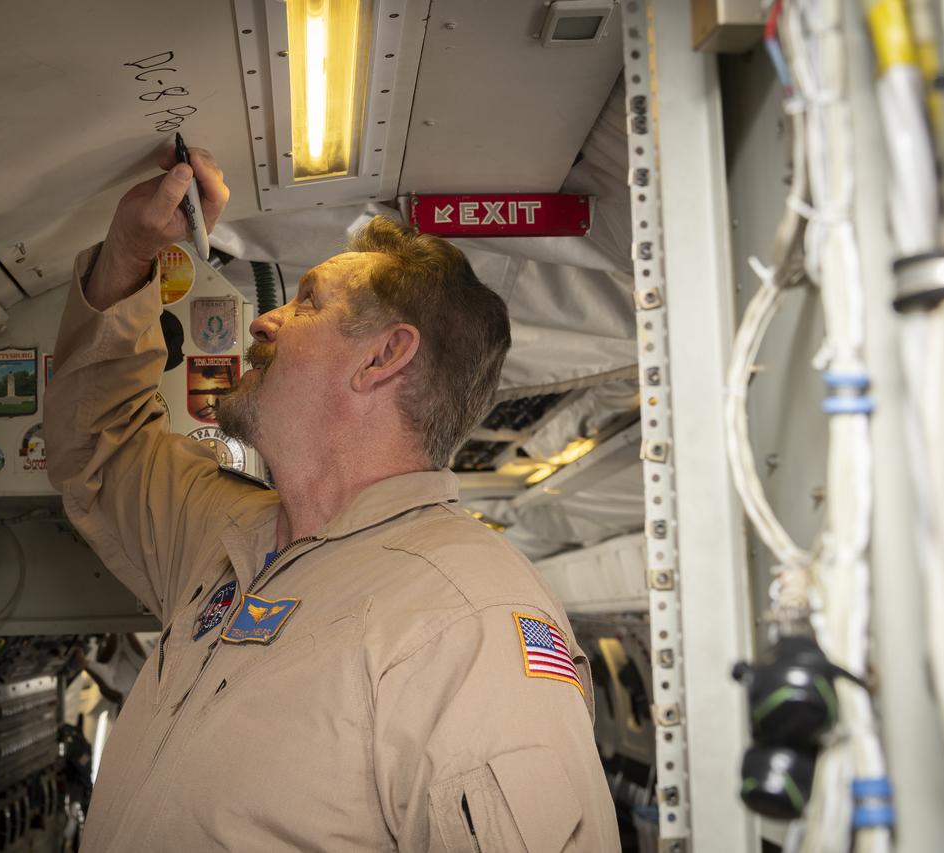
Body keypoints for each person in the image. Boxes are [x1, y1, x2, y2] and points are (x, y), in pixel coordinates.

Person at [45, 144, 620, 851]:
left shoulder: (466, 618)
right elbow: (100, 445)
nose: (263, 322)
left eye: (307, 301)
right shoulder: (232, 538)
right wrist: (130, 253)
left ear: (384, 356)